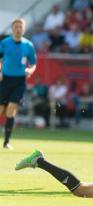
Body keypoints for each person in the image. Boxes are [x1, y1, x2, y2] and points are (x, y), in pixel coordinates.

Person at [0, 18, 37, 149]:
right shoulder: (5, 43)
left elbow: (33, 64)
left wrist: (30, 71)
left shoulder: (28, 45)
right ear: (12, 28)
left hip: (19, 81)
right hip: (4, 80)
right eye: (15, 26)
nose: (18, 29)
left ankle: (6, 142)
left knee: (11, 110)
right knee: (1, 110)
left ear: (23, 29)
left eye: (20, 26)